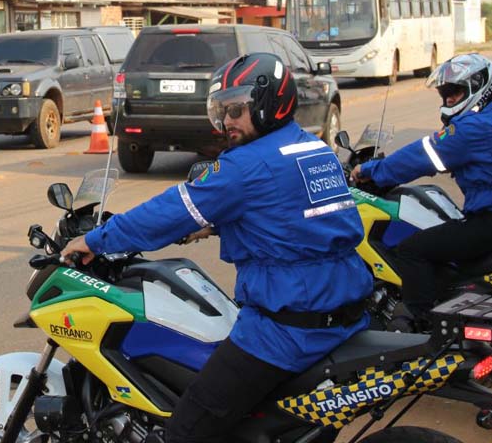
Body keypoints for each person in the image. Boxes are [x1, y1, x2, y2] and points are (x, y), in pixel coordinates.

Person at [61, 53, 372, 443]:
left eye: (236, 110)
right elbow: (293, 218)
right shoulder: (312, 148)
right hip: (344, 312)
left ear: (270, 104)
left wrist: (95, 240)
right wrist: (218, 225)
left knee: (185, 431)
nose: (227, 122)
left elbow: (167, 212)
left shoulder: (245, 165)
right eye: (222, 111)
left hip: (288, 331)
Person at [351, 53, 492, 318]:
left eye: (455, 93)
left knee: (412, 249)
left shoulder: (472, 128)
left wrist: (369, 171)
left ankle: (422, 323)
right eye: (445, 94)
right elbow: (472, 163)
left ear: (479, 88)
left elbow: (422, 155)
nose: (448, 101)